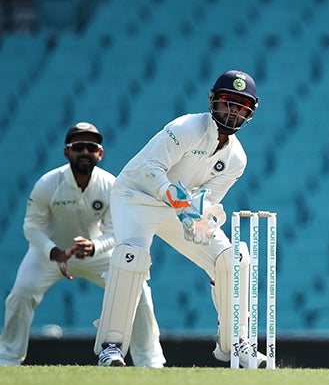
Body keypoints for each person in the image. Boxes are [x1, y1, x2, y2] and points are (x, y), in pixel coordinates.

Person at [93, 70, 266, 368]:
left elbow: (208, 199)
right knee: (131, 257)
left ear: (250, 112)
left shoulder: (237, 158)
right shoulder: (186, 127)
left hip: (180, 206)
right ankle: (111, 347)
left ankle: (236, 346)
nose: (233, 111)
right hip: (137, 196)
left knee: (233, 258)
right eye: (227, 102)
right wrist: (174, 198)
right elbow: (151, 168)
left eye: (241, 106)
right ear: (213, 101)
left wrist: (202, 219)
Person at [0, 122, 166, 368]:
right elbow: (32, 227)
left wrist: (94, 247)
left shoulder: (111, 185)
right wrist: (54, 252)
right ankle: (6, 360)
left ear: (100, 153)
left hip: (97, 253)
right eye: (78, 147)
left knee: (139, 291)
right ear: (67, 152)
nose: (85, 152)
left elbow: (116, 231)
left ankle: (150, 362)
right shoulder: (48, 184)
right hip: (50, 253)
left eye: (91, 147)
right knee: (20, 295)